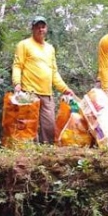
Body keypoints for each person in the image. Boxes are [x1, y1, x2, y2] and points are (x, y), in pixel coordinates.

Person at [12, 15, 74, 144]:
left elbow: (54, 72)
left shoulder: (50, 48)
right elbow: (17, 65)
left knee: (49, 127)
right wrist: (17, 83)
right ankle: (30, 156)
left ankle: (48, 155)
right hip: (29, 93)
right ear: (32, 29)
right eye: (37, 27)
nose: (40, 30)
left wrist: (64, 89)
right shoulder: (24, 45)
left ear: (46, 29)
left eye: (43, 27)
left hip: (47, 94)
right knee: (29, 128)